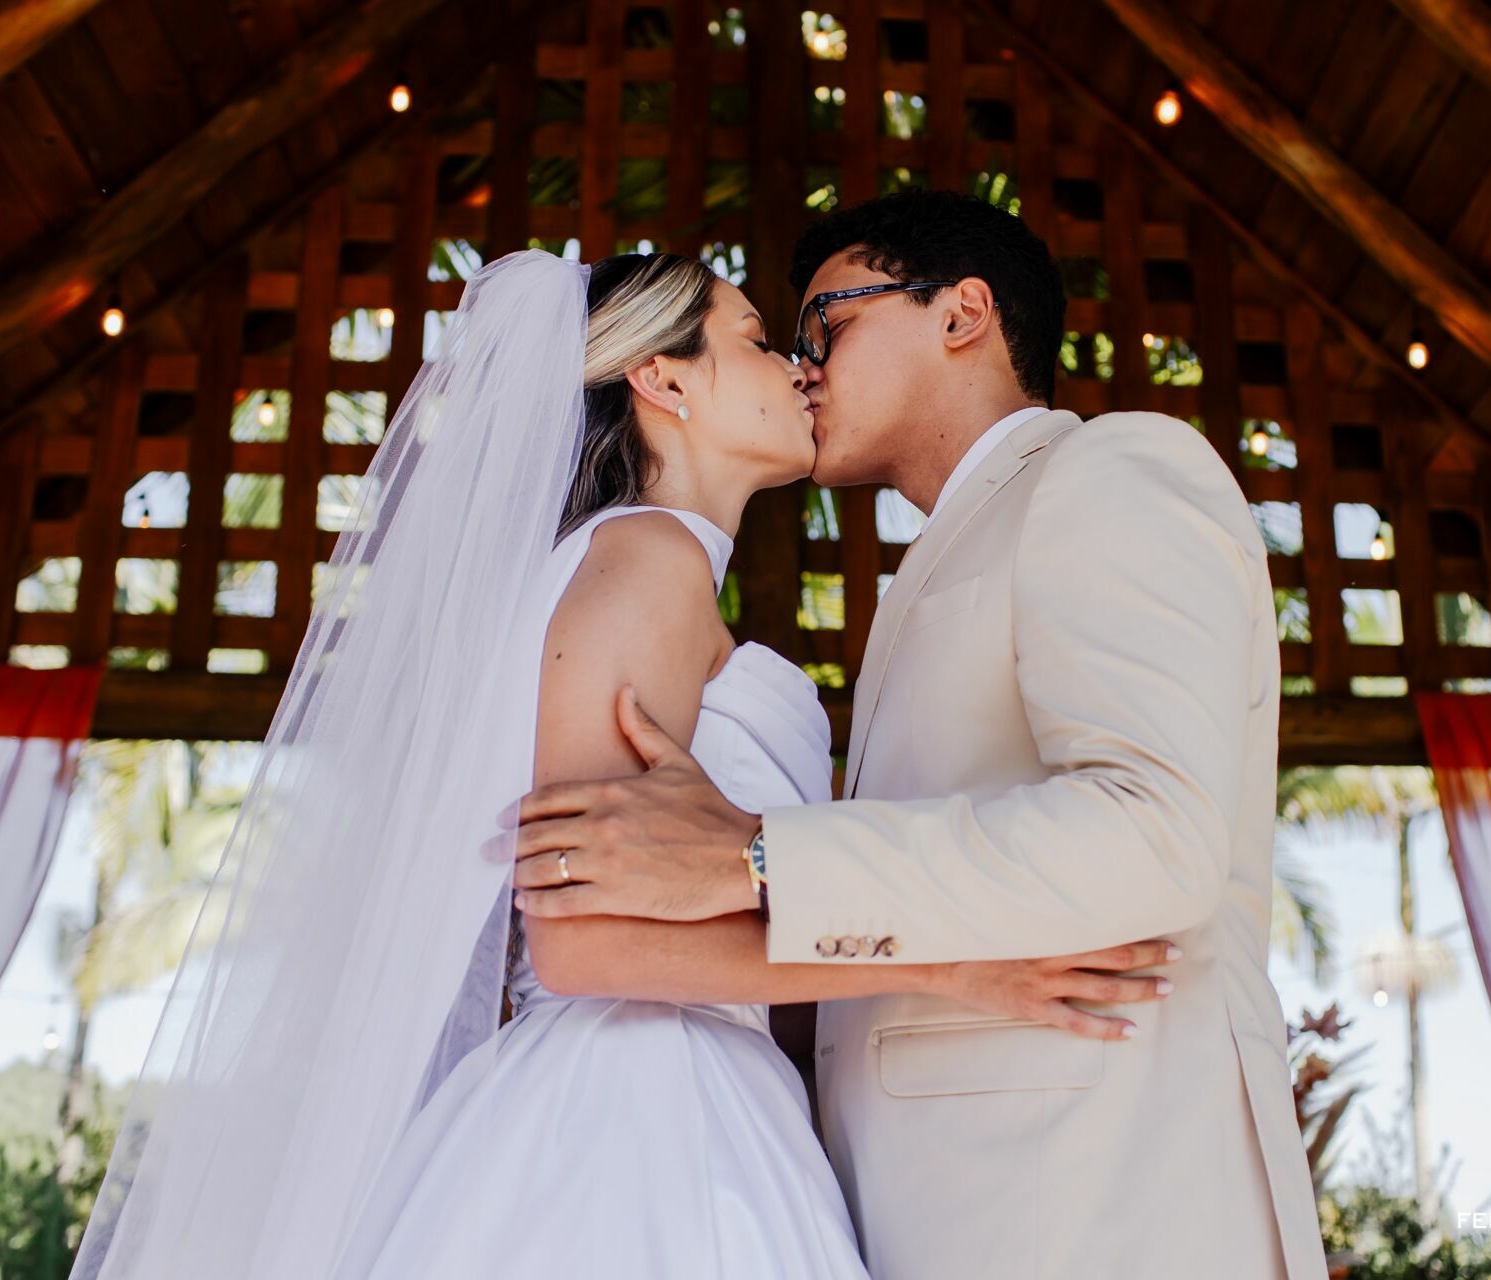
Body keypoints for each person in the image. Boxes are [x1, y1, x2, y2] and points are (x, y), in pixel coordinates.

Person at [69, 246, 1171, 1280]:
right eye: (752, 336)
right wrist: (947, 966)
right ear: (665, 379)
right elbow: (585, 936)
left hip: (708, 1097)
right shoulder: (645, 557)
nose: (797, 364)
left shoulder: (652, 571)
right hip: (636, 1115)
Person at [507, 191, 1334, 1279]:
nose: (802, 368)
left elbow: (1158, 831)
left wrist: (756, 851)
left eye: (823, 327)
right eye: (777, 342)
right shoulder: (884, 591)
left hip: (1094, 1210)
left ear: (961, 315)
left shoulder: (1110, 470)